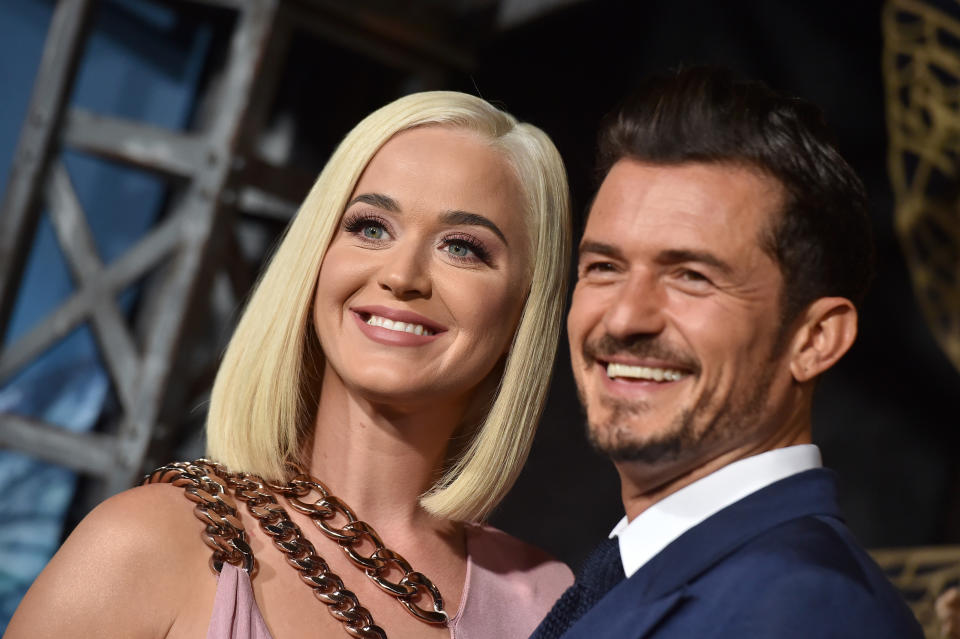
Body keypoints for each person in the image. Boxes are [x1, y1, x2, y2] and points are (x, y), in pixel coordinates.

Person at [6, 91, 573, 639]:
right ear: (316, 257)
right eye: (369, 228)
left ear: (526, 307)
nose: (402, 276)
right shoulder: (142, 545)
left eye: (462, 247)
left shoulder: (547, 603)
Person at [532, 67, 924, 638]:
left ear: (815, 339)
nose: (623, 316)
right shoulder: (647, 576)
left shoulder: (808, 611)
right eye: (604, 268)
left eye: (691, 275)